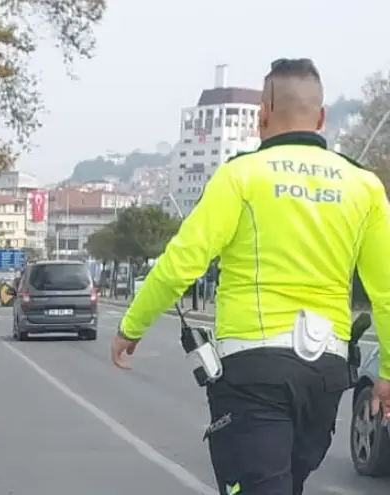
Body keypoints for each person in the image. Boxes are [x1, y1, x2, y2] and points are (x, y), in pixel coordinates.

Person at [110, 58, 390, 495]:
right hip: (326, 375)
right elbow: (386, 291)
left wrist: (133, 325)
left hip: (253, 370)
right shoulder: (364, 185)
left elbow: (182, 261)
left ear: (261, 115)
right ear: (321, 118)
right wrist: (387, 369)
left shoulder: (240, 176)